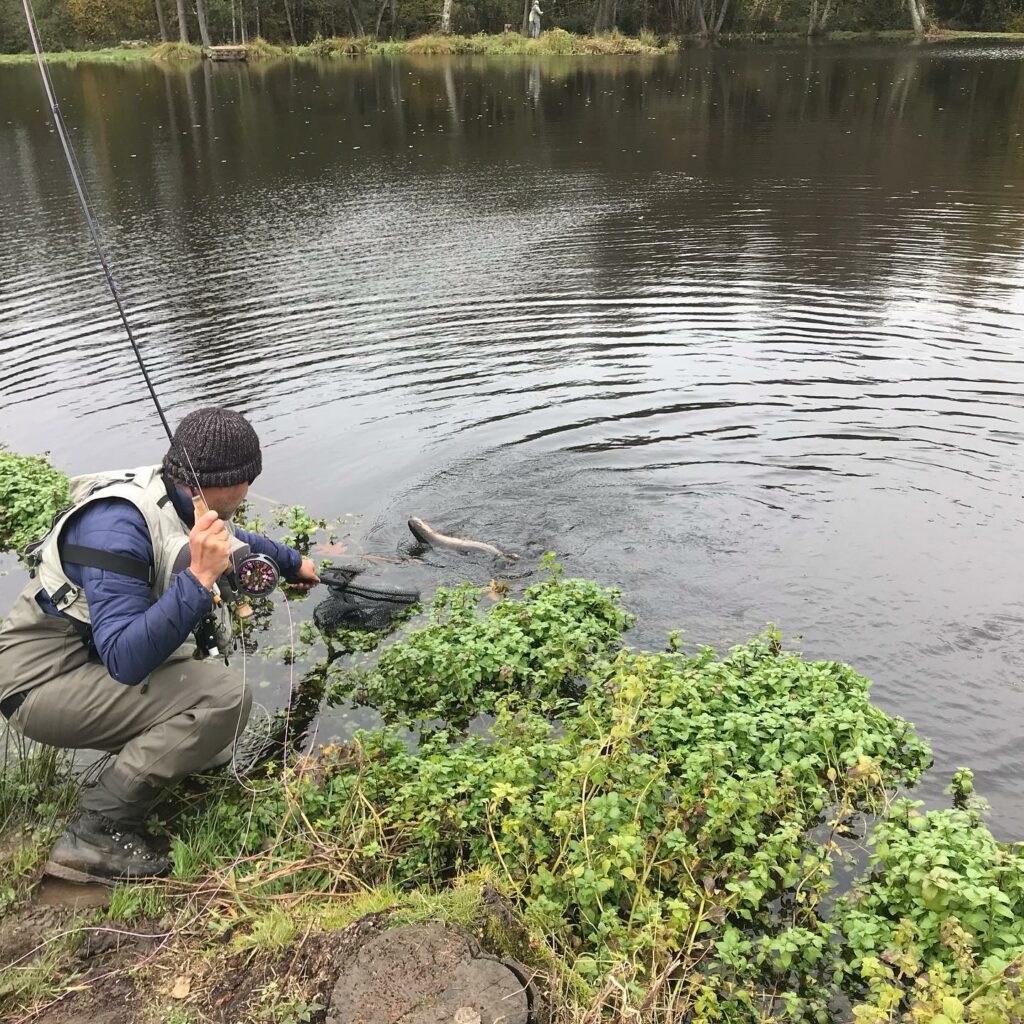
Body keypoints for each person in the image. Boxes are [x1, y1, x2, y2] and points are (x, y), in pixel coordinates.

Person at [0, 407, 319, 883]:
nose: (246, 494)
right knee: (223, 697)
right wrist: (200, 577)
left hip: (87, 658)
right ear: (204, 485)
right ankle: (94, 832)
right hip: (39, 684)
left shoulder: (180, 495)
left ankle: (154, 759)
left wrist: (296, 563)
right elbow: (126, 662)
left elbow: (232, 536)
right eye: (242, 487)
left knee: (208, 730)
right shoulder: (115, 529)